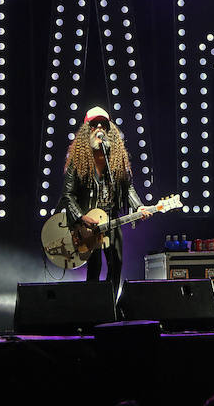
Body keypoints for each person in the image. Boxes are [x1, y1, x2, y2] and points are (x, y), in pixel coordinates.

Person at [59, 106, 154, 296]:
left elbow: (128, 188)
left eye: (104, 124)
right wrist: (81, 217)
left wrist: (138, 206)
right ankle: (93, 307)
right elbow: (67, 195)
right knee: (94, 266)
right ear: (88, 129)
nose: (100, 128)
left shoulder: (116, 158)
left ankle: (111, 306)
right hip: (88, 223)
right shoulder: (78, 161)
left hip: (111, 219)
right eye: (94, 125)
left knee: (116, 263)